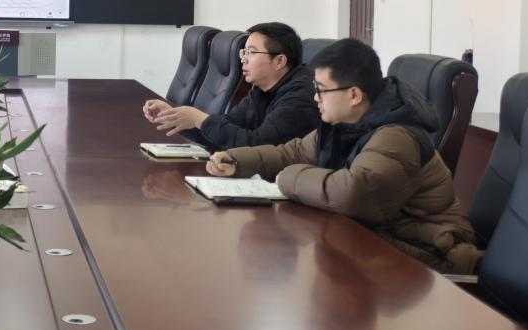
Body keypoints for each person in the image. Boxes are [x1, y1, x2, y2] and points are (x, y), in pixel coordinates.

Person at [206, 38, 481, 274]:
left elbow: (354, 193)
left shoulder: (397, 135)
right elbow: (293, 152)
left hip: (429, 251)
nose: (315, 98)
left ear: (354, 95)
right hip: (376, 237)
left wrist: (287, 178)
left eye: (321, 90)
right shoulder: (345, 122)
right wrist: (235, 160)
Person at [143, 22, 320, 152]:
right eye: (244, 52)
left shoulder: (300, 97)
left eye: (251, 52)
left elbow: (258, 146)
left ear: (280, 61)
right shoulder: (262, 89)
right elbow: (226, 130)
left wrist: (200, 119)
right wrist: (176, 116)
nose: (243, 59)